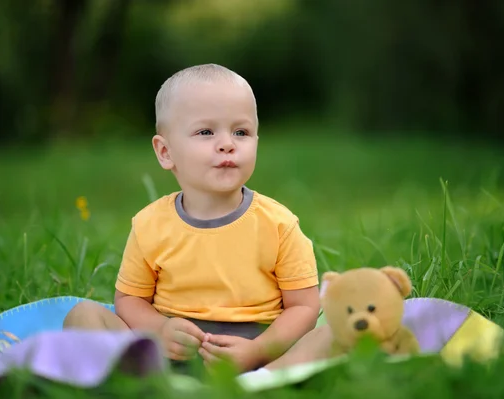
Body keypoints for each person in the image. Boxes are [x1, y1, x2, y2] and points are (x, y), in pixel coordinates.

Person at [63, 63, 321, 374]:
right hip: (171, 352)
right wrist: (158, 329)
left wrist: (258, 351)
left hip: (260, 352)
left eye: (241, 132)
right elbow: (130, 300)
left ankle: (265, 379)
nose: (227, 143)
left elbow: (305, 307)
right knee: (83, 315)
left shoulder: (278, 224)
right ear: (165, 152)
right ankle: (136, 378)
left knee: (334, 331)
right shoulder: (150, 225)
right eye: (206, 132)